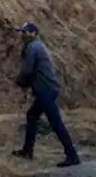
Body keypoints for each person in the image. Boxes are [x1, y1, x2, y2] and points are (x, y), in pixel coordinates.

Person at [12, 21, 81, 168]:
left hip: (46, 90)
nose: (22, 35)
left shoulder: (32, 47)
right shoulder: (36, 46)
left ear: (34, 34)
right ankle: (27, 150)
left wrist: (20, 82)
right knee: (32, 116)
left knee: (55, 122)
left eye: (25, 32)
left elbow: (28, 70)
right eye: (22, 32)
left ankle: (72, 155)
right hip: (47, 89)